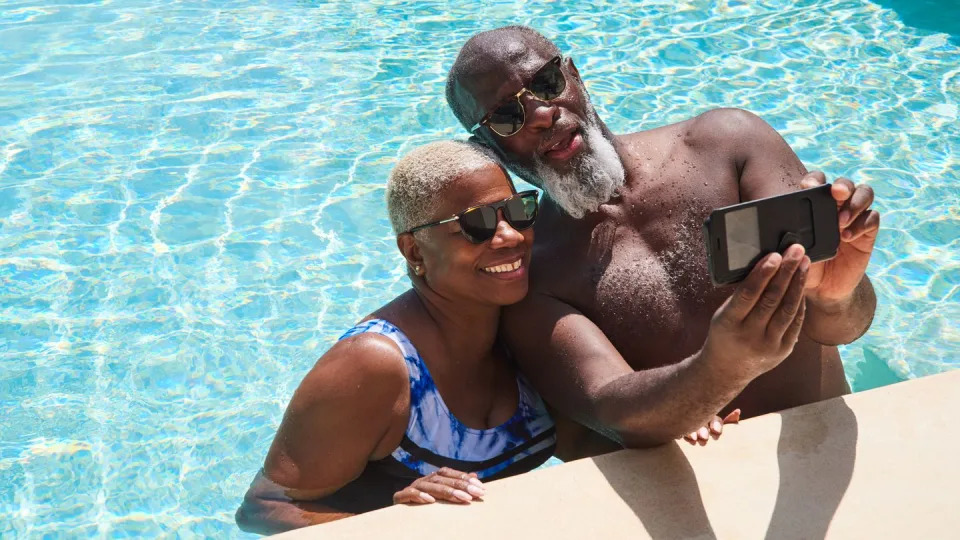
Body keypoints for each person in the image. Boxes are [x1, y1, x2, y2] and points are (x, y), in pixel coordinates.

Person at [445, 26, 880, 456]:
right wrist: (721, 369)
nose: (542, 114)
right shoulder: (535, 270)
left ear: (574, 75)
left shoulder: (728, 147)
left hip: (827, 450)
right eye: (507, 116)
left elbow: (842, 327)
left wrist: (836, 295)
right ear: (487, 147)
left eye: (546, 82)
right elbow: (612, 411)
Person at [235, 140, 557, 534]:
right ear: (414, 252)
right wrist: (390, 522)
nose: (511, 236)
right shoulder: (374, 366)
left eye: (519, 210)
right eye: (478, 224)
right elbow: (262, 509)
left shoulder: (531, 320)